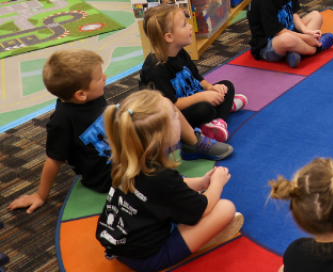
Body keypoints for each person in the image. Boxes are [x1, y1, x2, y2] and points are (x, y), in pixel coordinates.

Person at [95, 89, 245, 272]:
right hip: (149, 259)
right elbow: (203, 208)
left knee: (185, 193)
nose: (178, 117)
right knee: (225, 208)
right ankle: (200, 238)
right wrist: (216, 184)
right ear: (163, 135)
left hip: (119, 245)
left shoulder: (128, 161)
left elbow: (162, 191)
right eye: (175, 116)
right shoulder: (161, 177)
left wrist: (201, 182)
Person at [7, 48, 113, 213]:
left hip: (119, 154)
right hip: (105, 177)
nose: (105, 77)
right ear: (81, 95)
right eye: (99, 78)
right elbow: (53, 160)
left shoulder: (95, 96)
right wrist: (40, 196)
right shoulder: (61, 121)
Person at [137, 3, 243, 160]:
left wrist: (210, 87)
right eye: (184, 25)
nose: (190, 27)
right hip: (174, 115)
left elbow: (196, 76)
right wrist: (203, 97)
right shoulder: (156, 69)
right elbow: (171, 106)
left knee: (227, 86)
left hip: (194, 97)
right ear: (169, 37)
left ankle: (217, 122)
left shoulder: (180, 52)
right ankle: (218, 115)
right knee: (205, 108)